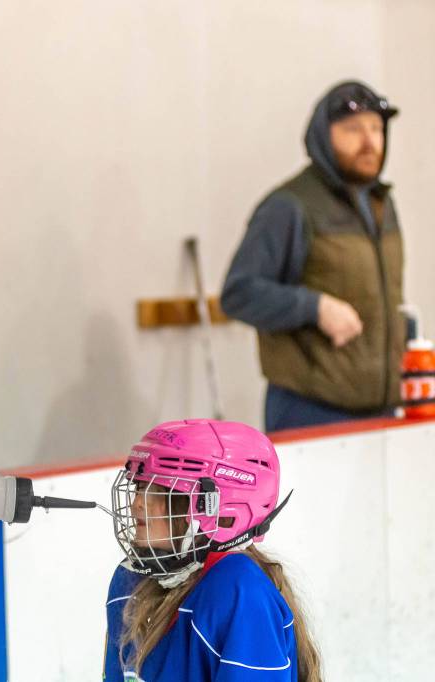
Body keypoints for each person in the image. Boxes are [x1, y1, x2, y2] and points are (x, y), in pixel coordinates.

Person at [221, 81, 404, 432]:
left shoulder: (382, 204)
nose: (369, 142)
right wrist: (314, 307)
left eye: (377, 129)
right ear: (322, 135)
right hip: (310, 411)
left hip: (382, 410)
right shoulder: (290, 206)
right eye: (352, 130)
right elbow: (238, 293)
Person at [103, 419, 321, 681]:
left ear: (215, 507)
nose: (137, 504)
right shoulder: (128, 582)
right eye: (139, 486)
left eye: (159, 491)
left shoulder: (239, 593)